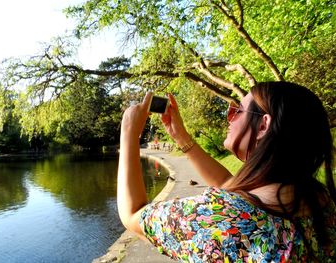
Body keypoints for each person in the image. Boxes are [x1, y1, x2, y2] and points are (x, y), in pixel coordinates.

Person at [117, 82, 336, 262]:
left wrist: (129, 133)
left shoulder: (217, 218)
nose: (230, 117)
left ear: (263, 126)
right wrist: (181, 138)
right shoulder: (320, 202)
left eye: (238, 110)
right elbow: (232, 186)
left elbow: (133, 215)